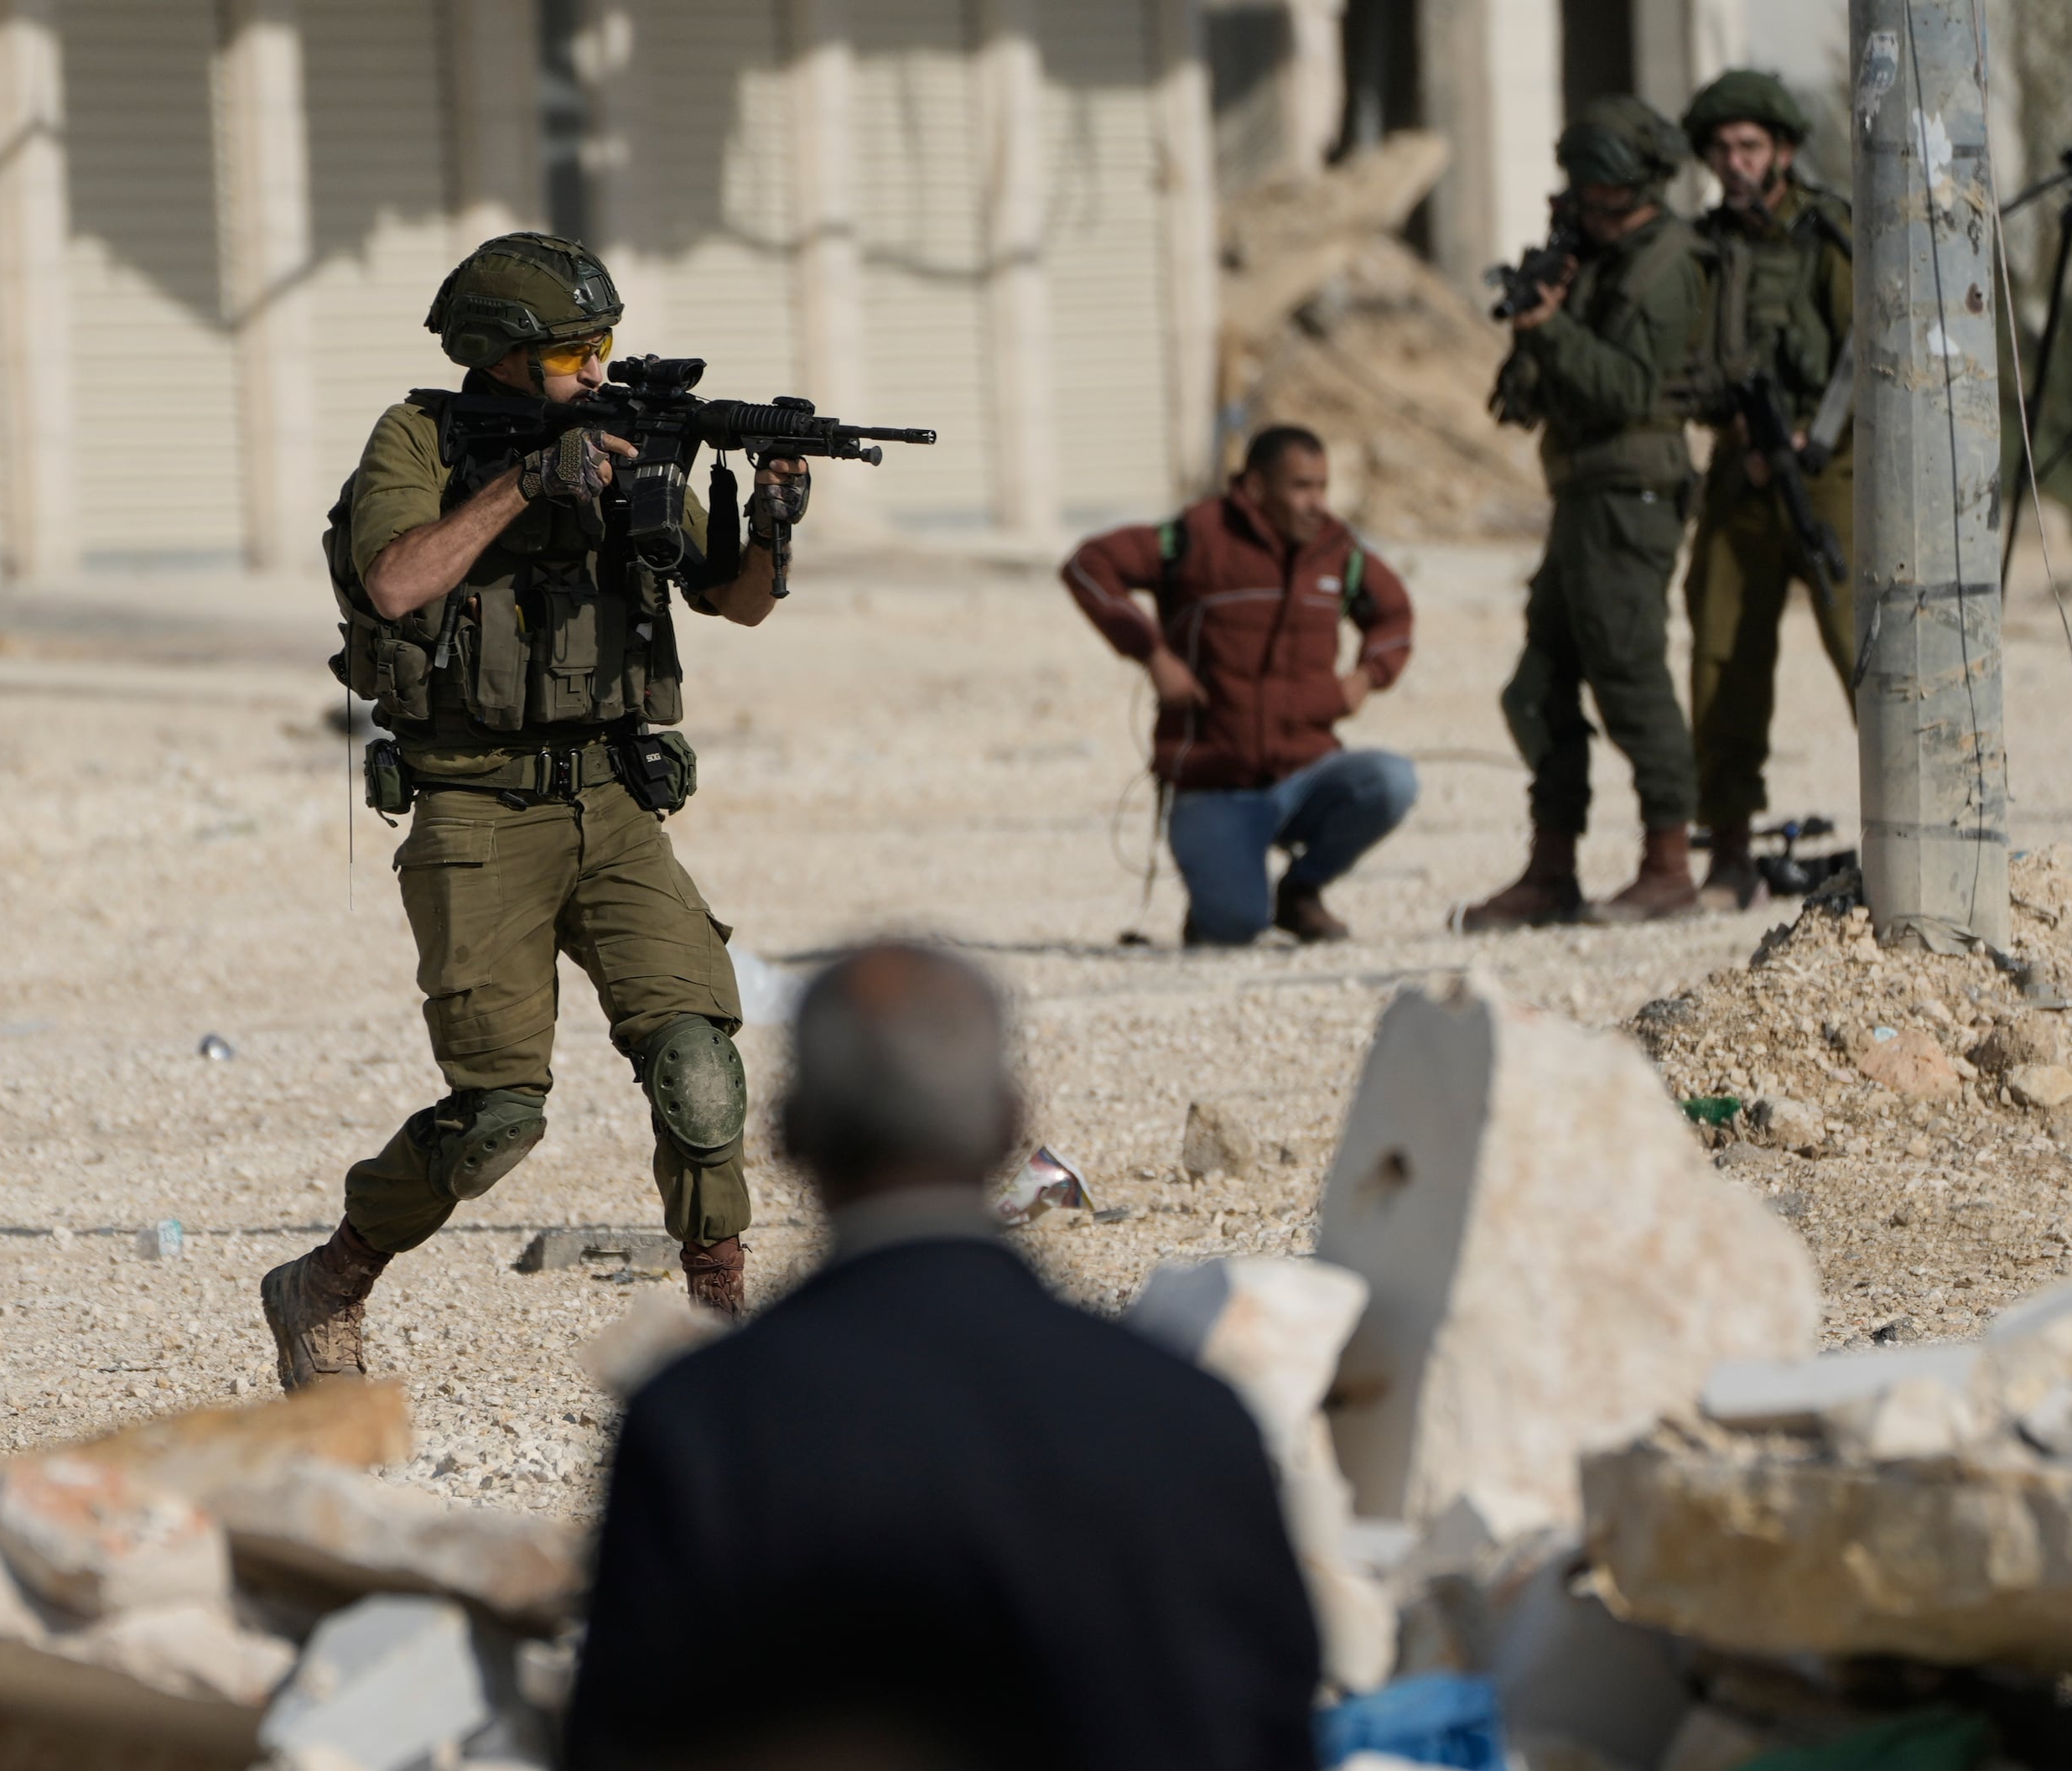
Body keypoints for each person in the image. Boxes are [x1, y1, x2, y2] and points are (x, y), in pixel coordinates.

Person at [262, 232, 810, 1389]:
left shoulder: (627, 444)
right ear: (500, 358)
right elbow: (397, 581)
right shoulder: (419, 440)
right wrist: (527, 483)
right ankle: (329, 1280)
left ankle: (726, 1335)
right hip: (474, 807)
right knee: (499, 1116)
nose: (599, 372)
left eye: (605, 347)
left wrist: (771, 520)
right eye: (574, 354)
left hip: (613, 799)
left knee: (699, 1063)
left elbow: (739, 605)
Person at [563, 943, 1322, 1771]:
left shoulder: (701, 1427)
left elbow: (620, 1740)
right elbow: (1271, 1727)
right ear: (1006, 1123)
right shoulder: (1184, 1415)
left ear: (789, 1135)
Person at [1462, 96, 1713, 929]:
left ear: (1641, 183)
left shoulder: (1666, 264)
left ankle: (1669, 861)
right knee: (1537, 688)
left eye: (1604, 192)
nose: (1590, 207)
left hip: (1631, 495)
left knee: (1630, 674)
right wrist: (1541, 321)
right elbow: (1530, 400)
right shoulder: (1591, 260)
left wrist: (1552, 330)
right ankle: (1551, 866)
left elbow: (1630, 390)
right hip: (1579, 495)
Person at [1062, 424, 1419, 946]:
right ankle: (1224, 898)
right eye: (1301, 487)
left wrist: (1367, 677)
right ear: (1255, 489)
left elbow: (1394, 614)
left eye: (1322, 486)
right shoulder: (1196, 537)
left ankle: (1301, 892)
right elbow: (1088, 566)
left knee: (1392, 781)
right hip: (1214, 784)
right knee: (1234, 930)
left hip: (1306, 773)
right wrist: (1153, 654)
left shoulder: (1337, 550)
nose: (1316, 503)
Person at [1681, 70, 1856, 912]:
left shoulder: (1827, 235)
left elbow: (1869, 349)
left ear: (1783, 152)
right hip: (1738, 475)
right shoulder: (1702, 247)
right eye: (1721, 149)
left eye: (1749, 146)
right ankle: (1727, 853)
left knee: (1869, 645)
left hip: (1831, 473)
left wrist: (1812, 438)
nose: (1734, 162)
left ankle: (1915, 836)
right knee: (1720, 658)